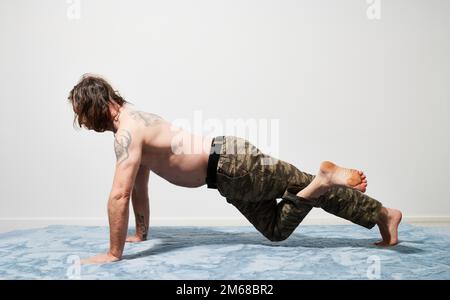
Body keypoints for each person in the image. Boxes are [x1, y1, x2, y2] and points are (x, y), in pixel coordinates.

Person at [68, 74, 402, 264]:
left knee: (301, 186)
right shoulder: (136, 120)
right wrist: (141, 233)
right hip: (227, 175)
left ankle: (376, 211)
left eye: (82, 114)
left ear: (94, 106)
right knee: (276, 229)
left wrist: (114, 253)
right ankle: (335, 190)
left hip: (231, 164)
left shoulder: (127, 133)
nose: (83, 123)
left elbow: (120, 194)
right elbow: (139, 188)